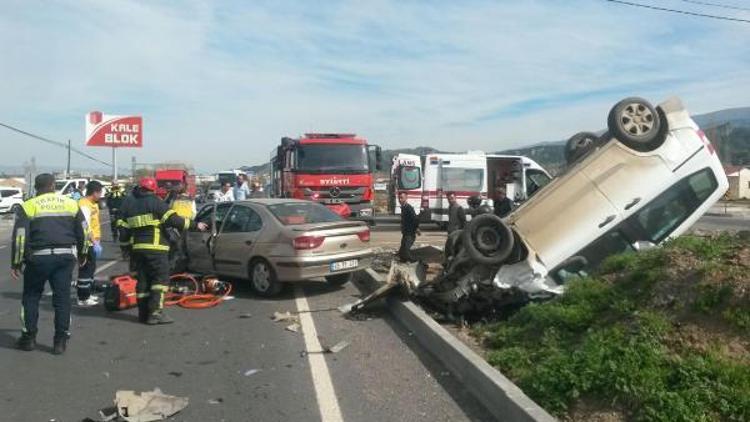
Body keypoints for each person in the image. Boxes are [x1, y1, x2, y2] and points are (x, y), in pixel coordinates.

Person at [10, 173, 86, 354]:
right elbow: (84, 229)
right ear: (53, 185)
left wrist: (16, 262)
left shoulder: (28, 206)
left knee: (31, 297)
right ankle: (60, 341)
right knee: (62, 300)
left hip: (38, 259)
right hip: (65, 257)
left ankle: (28, 338)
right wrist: (84, 253)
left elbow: (21, 237)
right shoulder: (70, 203)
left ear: (36, 187)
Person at [117, 177, 208, 325]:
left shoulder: (131, 206)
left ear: (139, 188)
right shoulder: (156, 203)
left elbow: (124, 232)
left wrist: (125, 249)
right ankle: (156, 314)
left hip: (138, 250)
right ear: (153, 190)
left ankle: (143, 314)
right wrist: (195, 225)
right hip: (156, 249)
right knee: (160, 280)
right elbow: (175, 221)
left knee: (143, 282)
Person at [76, 181, 104, 307]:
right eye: (100, 193)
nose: (101, 196)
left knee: (91, 269)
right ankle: (82, 297)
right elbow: (85, 226)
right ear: (95, 192)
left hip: (93, 242)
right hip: (87, 243)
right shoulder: (84, 205)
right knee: (86, 269)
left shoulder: (93, 204)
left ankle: (88, 293)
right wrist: (93, 241)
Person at [167, 183, 197, 272]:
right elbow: (194, 213)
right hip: (186, 225)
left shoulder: (174, 199)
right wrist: (191, 222)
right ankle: (184, 266)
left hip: (175, 225)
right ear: (186, 190)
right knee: (184, 246)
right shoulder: (191, 199)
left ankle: (173, 267)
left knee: (174, 247)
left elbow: (169, 210)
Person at [397, 191, 420, 262]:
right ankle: (402, 262)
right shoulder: (403, 207)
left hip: (410, 233)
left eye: (401, 198)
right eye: (399, 198)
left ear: (406, 198)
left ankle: (416, 262)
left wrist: (417, 228)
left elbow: (415, 219)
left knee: (406, 251)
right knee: (401, 252)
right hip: (405, 233)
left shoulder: (409, 208)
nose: (400, 200)